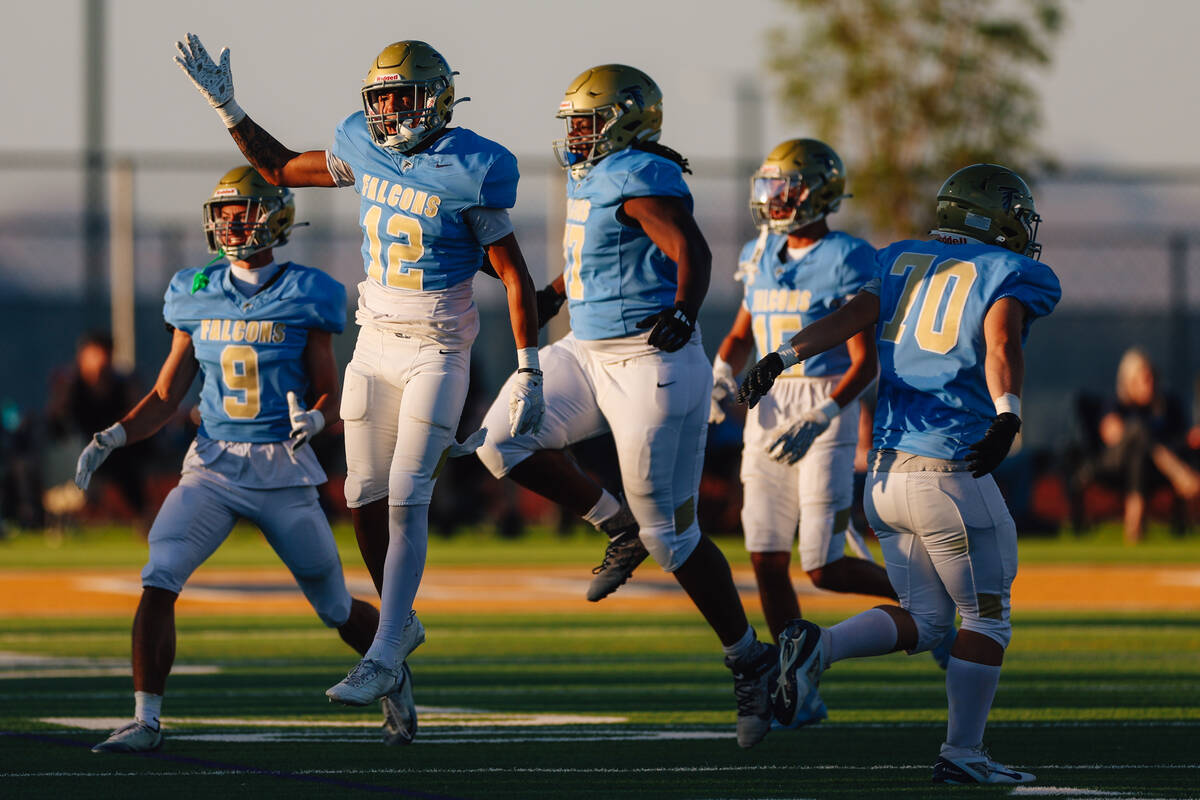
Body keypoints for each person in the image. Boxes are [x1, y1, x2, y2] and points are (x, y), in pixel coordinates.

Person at [175, 36, 543, 718]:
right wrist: (228, 106)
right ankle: (398, 629)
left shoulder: (474, 165)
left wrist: (529, 366)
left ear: (434, 97)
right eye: (381, 99)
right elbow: (281, 167)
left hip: (438, 344)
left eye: (402, 97)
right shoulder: (362, 145)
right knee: (362, 496)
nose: (389, 112)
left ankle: (380, 655)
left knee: (408, 494)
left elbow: (513, 272)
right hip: (374, 340)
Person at [474, 64, 781, 749]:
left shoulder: (639, 171)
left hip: (652, 360)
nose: (574, 135)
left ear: (623, 120)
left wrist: (684, 308)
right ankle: (615, 525)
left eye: (586, 122)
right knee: (500, 441)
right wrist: (556, 291)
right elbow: (601, 252)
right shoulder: (592, 175)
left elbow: (687, 248)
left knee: (672, 538)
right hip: (587, 349)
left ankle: (747, 657)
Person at [739, 164, 1061, 783]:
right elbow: (1001, 344)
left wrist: (781, 355)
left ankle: (817, 648)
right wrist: (1008, 416)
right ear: (989, 216)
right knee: (987, 617)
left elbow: (848, 317)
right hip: (950, 466)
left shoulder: (898, 259)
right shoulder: (1009, 270)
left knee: (929, 619)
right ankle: (963, 756)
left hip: (885, 477)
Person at [79, 167, 388, 753]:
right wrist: (114, 436)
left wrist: (321, 419)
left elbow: (331, 390)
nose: (228, 223)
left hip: (283, 468)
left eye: (241, 211)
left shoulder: (308, 292)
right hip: (214, 466)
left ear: (274, 217)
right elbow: (169, 394)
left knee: (334, 606)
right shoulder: (194, 290)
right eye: (222, 213)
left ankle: (394, 676)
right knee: (159, 574)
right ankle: (146, 720)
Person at [709, 139, 897, 650]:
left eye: (784, 187)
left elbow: (865, 363)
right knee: (766, 557)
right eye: (768, 186)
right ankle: (794, 675)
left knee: (822, 565)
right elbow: (742, 332)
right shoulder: (759, 252)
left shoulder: (849, 256)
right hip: (766, 406)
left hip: (824, 404)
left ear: (817, 193)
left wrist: (824, 413)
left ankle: (922, 599)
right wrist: (721, 371)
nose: (773, 198)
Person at [1069, 347, 1198, 541]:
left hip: (1146, 468)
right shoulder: (1115, 404)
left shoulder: (1166, 405)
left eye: (1151, 378)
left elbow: (1179, 438)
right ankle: (1176, 472)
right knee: (1137, 431)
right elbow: (1112, 436)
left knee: (1139, 454)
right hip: (1112, 465)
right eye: (1143, 379)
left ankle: (1134, 525)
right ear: (1128, 381)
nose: (1149, 384)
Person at [47, 331, 149, 520]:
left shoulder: (123, 385)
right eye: (94, 356)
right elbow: (55, 425)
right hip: (76, 451)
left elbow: (137, 421)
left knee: (127, 467)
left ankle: (141, 517)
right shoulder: (71, 386)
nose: (99, 362)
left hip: (115, 450)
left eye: (104, 355)